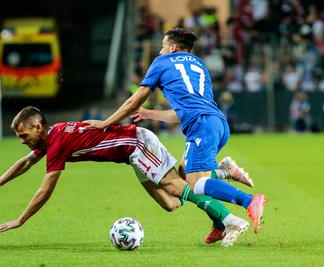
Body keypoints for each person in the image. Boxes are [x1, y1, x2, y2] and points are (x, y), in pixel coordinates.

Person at [0, 106, 249, 247]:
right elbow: (25, 163)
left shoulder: (57, 144)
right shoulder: (51, 138)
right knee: (171, 203)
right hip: (131, 155)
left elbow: (45, 191)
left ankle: (231, 221)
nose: (22, 141)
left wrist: (21, 220)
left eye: (24, 135)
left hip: (136, 144)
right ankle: (222, 171)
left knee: (177, 188)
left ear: (39, 126)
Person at [84, 27, 267, 234]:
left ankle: (249, 200)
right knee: (183, 173)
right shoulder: (200, 65)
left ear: (172, 47)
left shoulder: (161, 62)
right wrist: (149, 114)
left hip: (201, 126)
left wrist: (105, 123)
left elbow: (134, 101)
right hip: (217, 123)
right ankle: (219, 222)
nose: (160, 51)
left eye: (162, 47)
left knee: (196, 184)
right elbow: (184, 111)